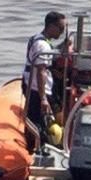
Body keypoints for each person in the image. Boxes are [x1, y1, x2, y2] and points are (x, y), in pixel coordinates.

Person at [21, 11, 67, 150]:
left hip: (32, 86)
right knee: (39, 122)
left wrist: (62, 46)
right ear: (51, 26)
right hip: (37, 89)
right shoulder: (42, 45)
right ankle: (40, 147)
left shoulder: (38, 39)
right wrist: (43, 99)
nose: (62, 32)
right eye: (61, 28)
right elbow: (41, 72)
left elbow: (49, 56)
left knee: (42, 118)